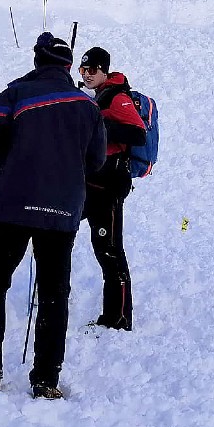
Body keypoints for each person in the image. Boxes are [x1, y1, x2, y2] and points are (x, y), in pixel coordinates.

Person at [0, 33, 106, 399]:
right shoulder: (88, 106)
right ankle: (46, 378)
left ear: (37, 60)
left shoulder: (17, 94)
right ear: (68, 66)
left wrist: (0, 168)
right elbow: (96, 161)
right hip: (61, 210)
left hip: (10, 206)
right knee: (54, 295)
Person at [77, 47, 147, 331]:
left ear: (104, 70)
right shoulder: (98, 95)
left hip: (109, 186)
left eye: (92, 69)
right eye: (83, 69)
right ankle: (113, 315)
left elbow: (138, 133)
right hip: (92, 182)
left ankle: (119, 318)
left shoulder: (118, 97)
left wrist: (101, 125)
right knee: (99, 246)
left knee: (110, 250)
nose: (87, 74)